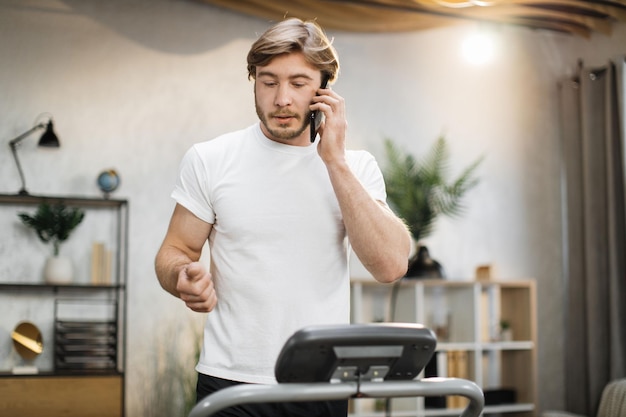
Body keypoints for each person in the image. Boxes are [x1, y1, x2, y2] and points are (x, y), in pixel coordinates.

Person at [155, 17, 411, 417]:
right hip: (229, 382)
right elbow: (175, 250)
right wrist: (181, 276)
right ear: (253, 81)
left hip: (320, 384)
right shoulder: (210, 159)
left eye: (298, 82)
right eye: (268, 81)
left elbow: (391, 265)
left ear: (324, 88)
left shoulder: (355, 168)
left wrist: (334, 162)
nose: (281, 99)